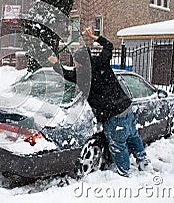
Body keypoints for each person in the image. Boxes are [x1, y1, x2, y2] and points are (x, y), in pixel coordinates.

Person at [48, 27, 151, 177]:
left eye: (76, 62)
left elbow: (65, 74)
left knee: (118, 146)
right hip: (126, 107)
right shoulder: (101, 61)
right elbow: (109, 46)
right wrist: (93, 36)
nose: (75, 65)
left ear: (81, 63)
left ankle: (125, 174)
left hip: (113, 115)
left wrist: (55, 63)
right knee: (133, 136)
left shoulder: (83, 75)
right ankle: (143, 161)